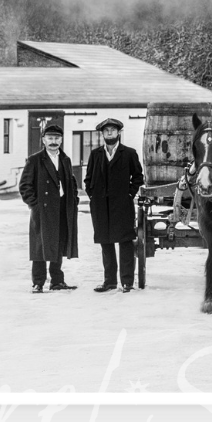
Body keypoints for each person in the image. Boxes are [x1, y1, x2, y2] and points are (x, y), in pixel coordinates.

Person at [84, 118, 145, 293]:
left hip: (122, 206)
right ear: (102, 134)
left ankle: (127, 282)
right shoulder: (95, 155)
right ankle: (109, 281)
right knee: (106, 243)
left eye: (113, 130)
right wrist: (93, 195)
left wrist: (129, 194)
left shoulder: (129, 153)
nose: (109, 133)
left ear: (119, 133)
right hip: (101, 207)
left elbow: (138, 177)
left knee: (125, 242)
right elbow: (88, 180)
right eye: (106, 131)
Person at [18, 123, 79, 293]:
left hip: (61, 208)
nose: (53, 141)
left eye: (57, 138)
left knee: (58, 244)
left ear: (61, 140)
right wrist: (35, 205)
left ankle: (57, 281)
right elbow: (25, 186)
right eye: (50, 138)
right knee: (40, 245)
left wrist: (73, 199)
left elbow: (71, 183)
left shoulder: (65, 159)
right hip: (42, 210)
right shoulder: (35, 160)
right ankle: (38, 282)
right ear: (43, 140)